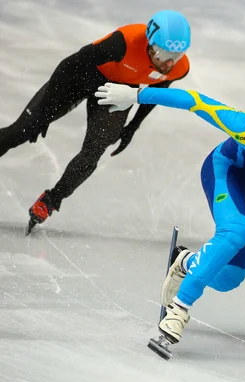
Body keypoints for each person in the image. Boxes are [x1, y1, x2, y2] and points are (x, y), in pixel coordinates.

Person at [94, 81, 245, 345]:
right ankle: (179, 309)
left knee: (228, 280)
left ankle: (186, 262)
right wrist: (136, 95)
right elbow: (194, 100)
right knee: (237, 230)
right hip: (226, 170)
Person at [0, 10, 192, 233]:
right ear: (150, 43)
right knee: (23, 130)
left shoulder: (178, 68)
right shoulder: (123, 43)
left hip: (118, 91)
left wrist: (133, 126)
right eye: (163, 54)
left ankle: (50, 201)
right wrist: (45, 109)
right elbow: (68, 66)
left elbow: (155, 94)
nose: (168, 63)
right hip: (84, 76)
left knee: (94, 151)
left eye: (176, 57)